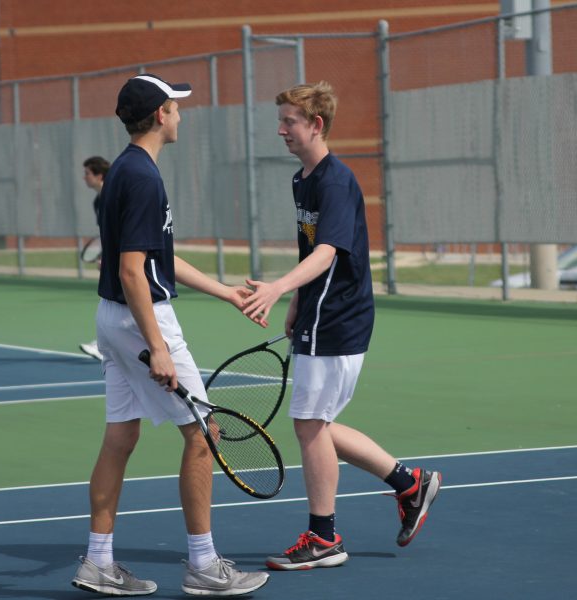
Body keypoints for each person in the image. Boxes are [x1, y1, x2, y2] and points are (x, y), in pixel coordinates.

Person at [70, 73, 269, 597]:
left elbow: (157, 256)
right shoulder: (143, 178)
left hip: (111, 319)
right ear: (161, 115)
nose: (181, 114)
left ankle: (97, 562)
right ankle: (204, 565)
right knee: (205, 434)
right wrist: (156, 345)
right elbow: (135, 271)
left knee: (121, 437)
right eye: (176, 107)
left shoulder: (124, 172)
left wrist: (224, 291)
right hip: (140, 320)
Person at [241, 81, 442, 570]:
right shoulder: (302, 179)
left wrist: (278, 289)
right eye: (281, 120)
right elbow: (312, 251)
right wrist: (297, 304)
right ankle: (409, 484)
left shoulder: (334, 181)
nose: (281, 129)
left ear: (316, 125)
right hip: (319, 313)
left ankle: (325, 537)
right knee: (317, 425)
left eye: (290, 121)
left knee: (309, 426)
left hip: (340, 318)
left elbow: (330, 250)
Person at [79, 155, 111, 361]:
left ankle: (103, 346)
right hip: (114, 258)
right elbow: (107, 233)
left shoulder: (113, 195)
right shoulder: (98, 201)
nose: (84, 178)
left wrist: (111, 258)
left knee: (112, 301)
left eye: (87, 174)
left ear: (99, 175)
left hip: (130, 259)